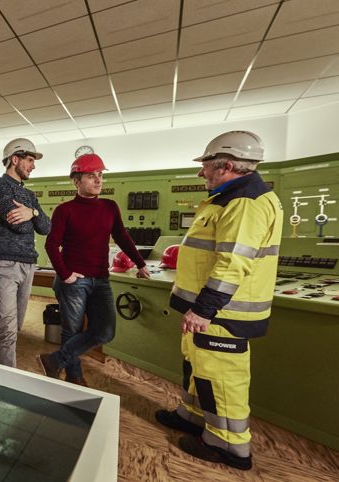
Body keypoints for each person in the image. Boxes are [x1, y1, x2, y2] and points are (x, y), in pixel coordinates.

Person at [155, 131, 282, 471]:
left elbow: (233, 262)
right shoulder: (228, 199)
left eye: (207, 165)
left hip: (222, 313)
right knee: (198, 366)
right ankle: (194, 416)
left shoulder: (245, 203)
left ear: (226, 166)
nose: (202, 172)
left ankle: (228, 444)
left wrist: (204, 309)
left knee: (221, 379)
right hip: (207, 310)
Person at [38, 153, 150, 386]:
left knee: (105, 332)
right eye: (91, 176)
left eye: (100, 175)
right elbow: (51, 245)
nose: (98, 180)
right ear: (76, 181)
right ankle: (74, 376)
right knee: (72, 330)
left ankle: (55, 360)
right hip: (74, 280)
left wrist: (140, 263)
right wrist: (65, 274)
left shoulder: (110, 207)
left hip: (100, 279)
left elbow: (122, 236)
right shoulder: (65, 210)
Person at [0, 138, 51, 367]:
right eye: (30, 160)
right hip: (4, 263)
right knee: (7, 329)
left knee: (16, 327)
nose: (33, 166)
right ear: (15, 159)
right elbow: (19, 226)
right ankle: (6, 379)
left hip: (28, 264)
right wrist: (31, 218)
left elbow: (46, 227)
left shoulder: (30, 196)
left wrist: (32, 212)